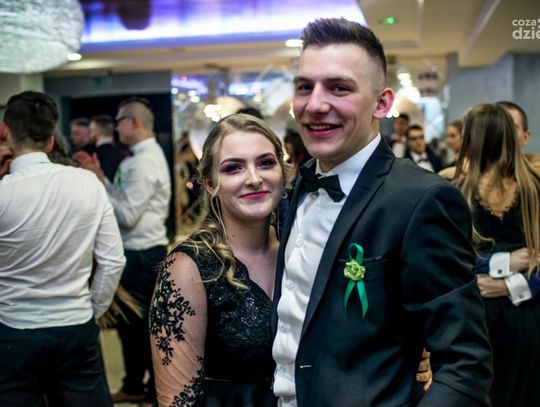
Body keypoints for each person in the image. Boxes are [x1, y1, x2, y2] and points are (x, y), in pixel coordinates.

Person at [272, 18, 492, 406]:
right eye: (305, 87)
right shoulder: (299, 188)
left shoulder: (421, 199)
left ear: (382, 103)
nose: (315, 104)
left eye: (339, 87)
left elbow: (466, 364)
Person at [149, 113, 287, 406]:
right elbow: (177, 401)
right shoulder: (189, 268)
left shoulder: (299, 252)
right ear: (211, 183)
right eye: (233, 168)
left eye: (265, 163)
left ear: (282, 172)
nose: (254, 179)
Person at [0, 91, 125, 406]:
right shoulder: (88, 183)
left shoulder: (3, 192)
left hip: (14, 329)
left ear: (5, 132)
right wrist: (92, 309)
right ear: (51, 140)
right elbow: (112, 261)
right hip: (75, 326)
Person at [79, 96, 171, 405]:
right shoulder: (139, 158)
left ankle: (150, 390)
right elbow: (123, 199)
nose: (116, 128)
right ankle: (134, 385)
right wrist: (102, 179)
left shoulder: (145, 162)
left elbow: (127, 215)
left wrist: (98, 188)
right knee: (130, 327)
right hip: (138, 253)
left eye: (119, 121)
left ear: (132, 122)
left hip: (143, 255)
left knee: (142, 328)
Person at [454, 103, 540, 407]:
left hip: (527, 314)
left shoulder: (533, 187)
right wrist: (502, 262)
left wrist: (509, 285)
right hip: (475, 316)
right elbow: (452, 261)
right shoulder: (454, 189)